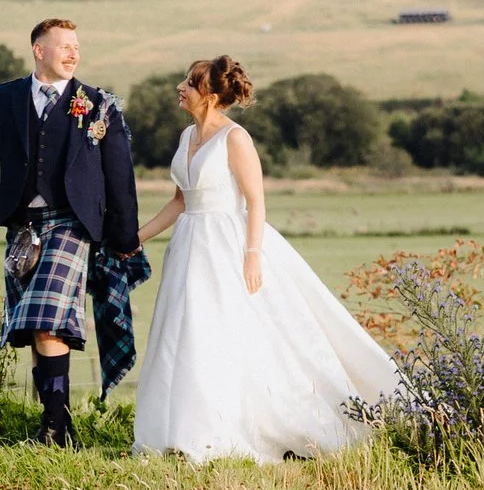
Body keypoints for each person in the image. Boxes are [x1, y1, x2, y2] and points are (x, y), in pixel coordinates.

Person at [130, 55, 396, 463]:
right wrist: (138, 237)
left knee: (219, 331)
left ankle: (224, 431)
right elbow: (181, 201)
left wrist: (252, 255)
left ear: (212, 95)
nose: (180, 87)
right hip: (187, 246)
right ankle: (180, 430)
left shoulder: (235, 139)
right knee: (181, 333)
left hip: (226, 245)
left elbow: (255, 201)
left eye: (190, 82)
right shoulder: (186, 137)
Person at [0, 18, 142, 446]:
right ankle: (59, 425)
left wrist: (126, 239)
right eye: (64, 46)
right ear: (39, 50)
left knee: (48, 321)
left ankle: (55, 428)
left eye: (76, 46)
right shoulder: (6, 98)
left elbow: (119, 176)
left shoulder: (97, 104)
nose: (73, 53)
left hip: (72, 224)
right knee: (38, 328)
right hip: (23, 229)